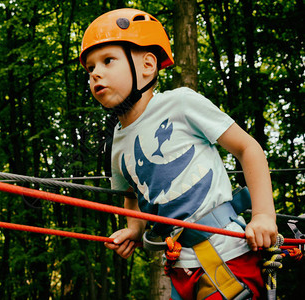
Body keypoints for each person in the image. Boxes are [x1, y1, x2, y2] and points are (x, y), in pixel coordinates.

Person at [79, 8, 278, 300]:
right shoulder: (118, 143)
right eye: (90, 68)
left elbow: (248, 148)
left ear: (147, 65)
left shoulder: (180, 104)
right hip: (178, 267)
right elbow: (132, 195)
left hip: (227, 253)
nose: (96, 72)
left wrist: (262, 216)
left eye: (108, 60)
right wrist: (134, 229)